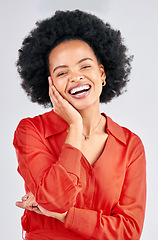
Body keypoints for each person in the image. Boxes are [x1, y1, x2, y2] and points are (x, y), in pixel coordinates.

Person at [13, 9, 146, 240]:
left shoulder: (130, 146)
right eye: (62, 72)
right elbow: (54, 199)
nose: (76, 77)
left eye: (85, 66)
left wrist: (64, 216)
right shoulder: (32, 131)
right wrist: (75, 125)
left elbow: (128, 232)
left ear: (102, 73)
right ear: (50, 83)